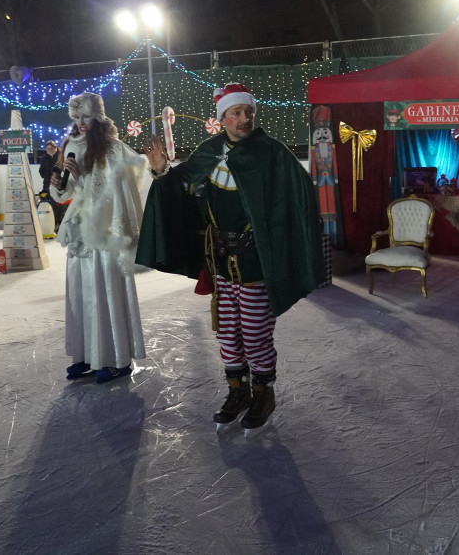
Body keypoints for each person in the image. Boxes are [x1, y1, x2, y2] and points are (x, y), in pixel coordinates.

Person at [136, 82, 323, 434]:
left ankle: (263, 392)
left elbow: (299, 195)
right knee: (228, 335)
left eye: (248, 112)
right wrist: (162, 171)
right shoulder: (209, 151)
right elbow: (181, 190)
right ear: (222, 118)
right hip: (219, 262)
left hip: (255, 262)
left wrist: (277, 233)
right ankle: (236, 390)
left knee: (255, 334)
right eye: (236, 113)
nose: (244, 118)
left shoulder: (272, 152)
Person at [50, 92, 151, 384]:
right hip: (80, 232)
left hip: (106, 234)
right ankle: (86, 355)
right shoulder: (70, 145)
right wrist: (58, 186)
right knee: (81, 293)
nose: (81, 123)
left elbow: (113, 194)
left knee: (105, 292)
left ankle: (115, 358)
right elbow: (70, 193)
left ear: (99, 117)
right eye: (77, 118)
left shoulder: (113, 149)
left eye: (87, 117)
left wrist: (81, 178)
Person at [38, 139, 67, 230]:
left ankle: (60, 224)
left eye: (51, 148)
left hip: (59, 184)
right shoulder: (44, 158)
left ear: (55, 148)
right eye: (48, 148)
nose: (49, 150)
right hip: (47, 184)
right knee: (50, 204)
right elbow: (41, 171)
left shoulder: (60, 156)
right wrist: (46, 177)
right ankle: (52, 223)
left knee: (60, 205)